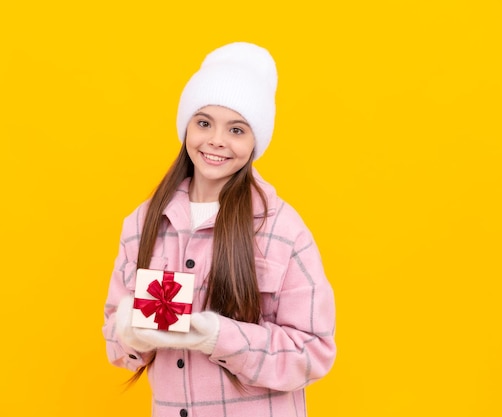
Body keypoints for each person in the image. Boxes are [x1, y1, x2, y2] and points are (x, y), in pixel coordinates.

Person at [102, 41, 336, 417]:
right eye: (204, 122)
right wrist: (127, 333)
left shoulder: (281, 229)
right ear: (186, 126)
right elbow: (118, 349)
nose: (216, 141)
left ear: (255, 140)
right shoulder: (142, 224)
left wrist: (218, 337)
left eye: (237, 130)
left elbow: (313, 353)